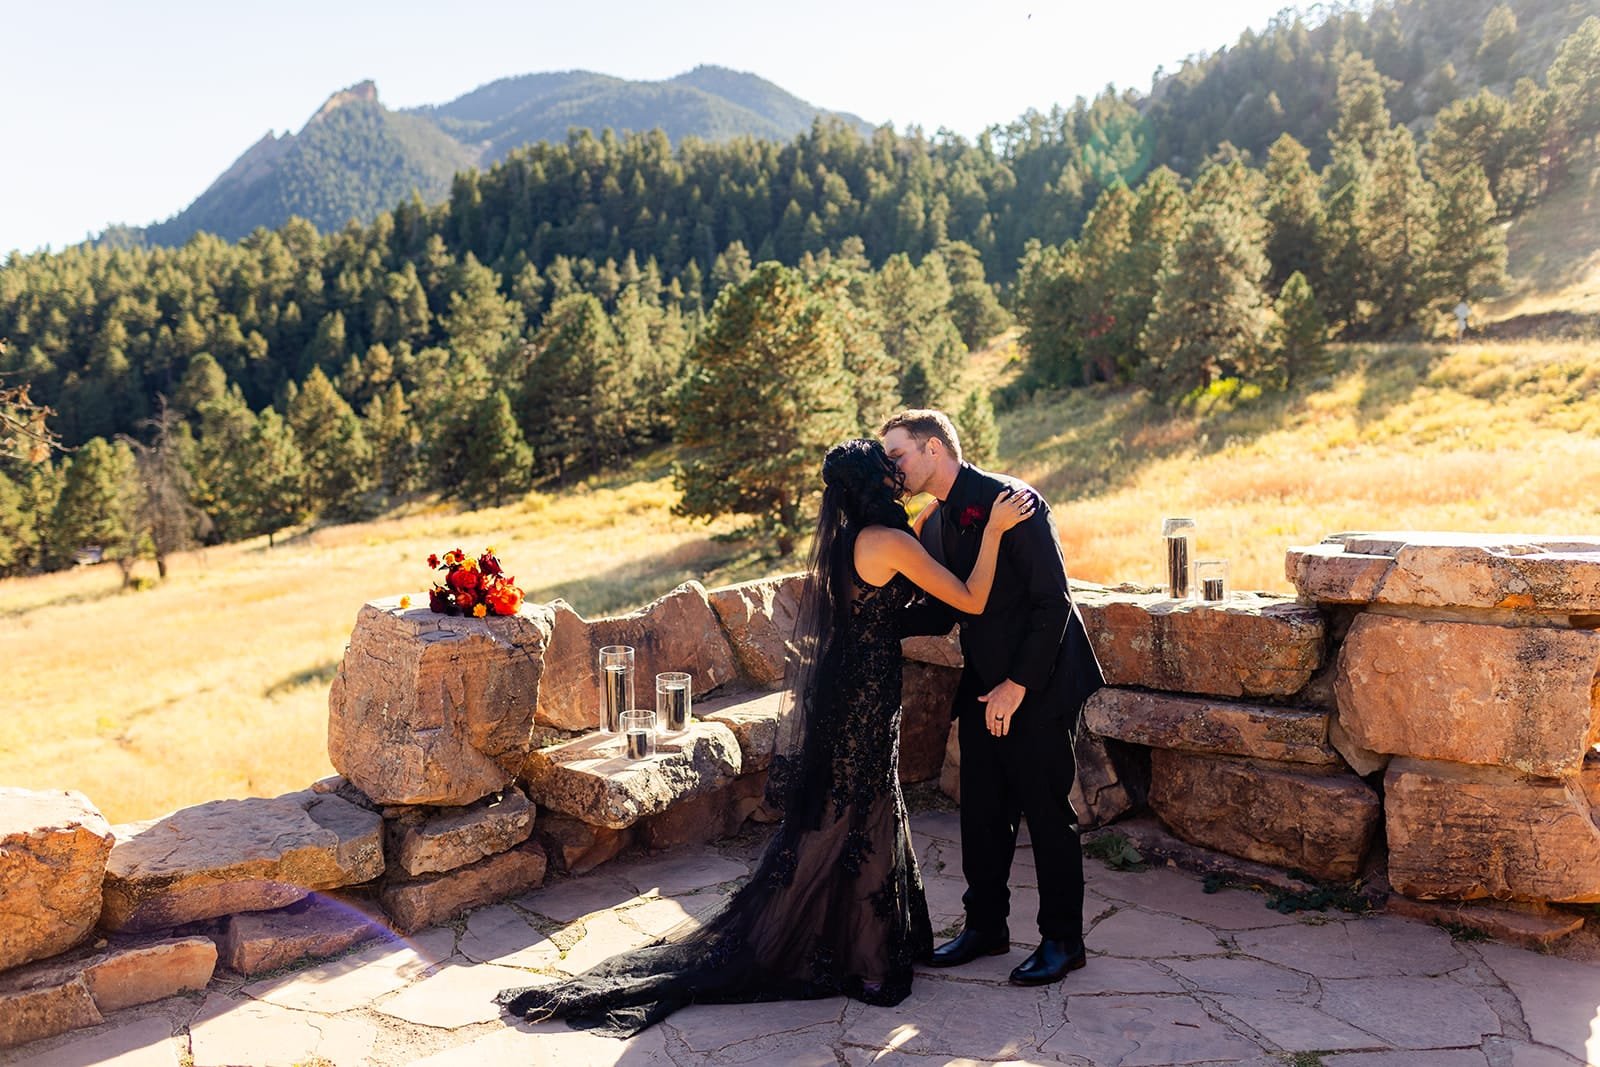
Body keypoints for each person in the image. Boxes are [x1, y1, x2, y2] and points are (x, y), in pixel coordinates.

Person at [496, 438, 1035, 1035]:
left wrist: (924, 519)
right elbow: (971, 597)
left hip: (849, 684)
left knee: (849, 807)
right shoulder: (889, 543)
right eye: (889, 474)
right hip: (864, 691)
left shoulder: (852, 538)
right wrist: (992, 532)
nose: (899, 480)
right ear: (874, 486)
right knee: (860, 806)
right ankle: (859, 954)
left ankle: (861, 939)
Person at [880, 408, 1104, 987]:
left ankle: (1063, 940)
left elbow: (1053, 601)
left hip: (1041, 681)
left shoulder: (1014, 503)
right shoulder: (934, 519)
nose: (892, 467)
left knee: (1048, 812)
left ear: (933, 449)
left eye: (897, 454)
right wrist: (875, 624)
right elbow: (951, 603)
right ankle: (986, 927)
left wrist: (1018, 685)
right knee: (981, 809)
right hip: (983, 684)